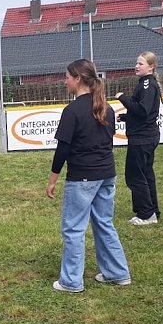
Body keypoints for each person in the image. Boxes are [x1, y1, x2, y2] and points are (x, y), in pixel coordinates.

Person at [46, 59, 131, 293]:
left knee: (73, 228)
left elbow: (62, 149)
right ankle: (117, 273)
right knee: (104, 222)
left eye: (67, 77)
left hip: (83, 176)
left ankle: (71, 281)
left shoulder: (72, 111)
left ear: (78, 79)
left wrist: (52, 180)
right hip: (106, 174)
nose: (64, 81)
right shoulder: (107, 108)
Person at [116, 51, 163, 225]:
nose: (137, 66)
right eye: (136, 63)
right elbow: (146, 112)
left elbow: (142, 110)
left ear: (151, 67)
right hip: (146, 136)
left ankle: (145, 213)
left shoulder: (147, 85)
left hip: (142, 138)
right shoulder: (146, 84)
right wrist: (126, 117)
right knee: (146, 174)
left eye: (141, 63)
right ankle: (153, 211)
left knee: (135, 175)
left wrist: (123, 98)